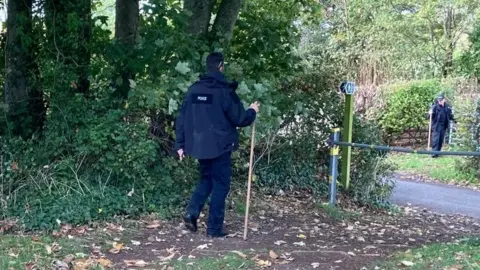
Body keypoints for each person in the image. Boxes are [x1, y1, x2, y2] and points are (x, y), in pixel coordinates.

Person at [174, 52, 260, 238]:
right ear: (221, 66)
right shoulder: (223, 91)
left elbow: (182, 118)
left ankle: (192, 212)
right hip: (221, 146)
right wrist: (252, 111)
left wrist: (179, 143)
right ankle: (214, 228)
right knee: (220, 185)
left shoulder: (194, 90)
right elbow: (239, 118)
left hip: (199, 146)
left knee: (206, 180)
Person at [428, 93, 455, 158]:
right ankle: (434, 154)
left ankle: (438, 152)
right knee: (436, 139)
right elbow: (429, 116)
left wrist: (456, 120)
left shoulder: (447, 107)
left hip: (444, 126)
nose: (439, 101)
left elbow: (450, 116)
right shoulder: (434, 107)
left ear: (444, 100)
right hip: (436, 126)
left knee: (440, 139)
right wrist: (430, 113)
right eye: (439, 100)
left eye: (441, 100)